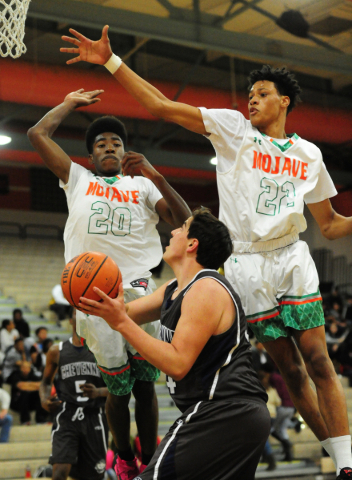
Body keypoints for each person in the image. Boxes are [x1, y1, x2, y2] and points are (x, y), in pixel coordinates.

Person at [60, 27, 352, 479]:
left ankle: (348, 463)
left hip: (291, 253)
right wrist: (112, 61)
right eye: (250, 94)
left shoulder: (310, 154)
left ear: (285, 102)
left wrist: (114, 315)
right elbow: (159, 106)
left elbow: (330, 226)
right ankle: (337, 459)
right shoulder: (234, 129)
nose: (251, 100)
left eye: (262, 94)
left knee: (319, 361)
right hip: (246, 260)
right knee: (292, 372)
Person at [28, 89, 191, 480]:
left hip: (140, 289)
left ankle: (148, 460)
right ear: (90, 157)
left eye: (116, 143)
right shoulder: (77, 177)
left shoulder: (143, 186)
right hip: (95, 295)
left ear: (125, 152)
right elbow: (37, 135)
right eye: (101, 144)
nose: (109, 147)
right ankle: (123, 455)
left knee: (146, 385)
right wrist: (66, 103)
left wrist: (156, 175)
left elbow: (185, 221)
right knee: (118, 388)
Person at [79, 207, 271, 480]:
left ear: (193, 244)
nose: (172, 231)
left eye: (181, 228)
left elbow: (177, 363)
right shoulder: (173, 288)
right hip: (232, 415)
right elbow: (125, 313)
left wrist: (120, 322)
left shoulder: (206, 288)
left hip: (224, 411)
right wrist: (95, 299)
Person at [40, 311, 109, 480]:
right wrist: (44, 400)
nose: (81, 319)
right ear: (71, 320)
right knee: (59, 473)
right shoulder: (57, 351)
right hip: (67, 415)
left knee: (93, 476)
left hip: (94, 416)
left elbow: (119, 387)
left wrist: (98, 392)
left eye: (86, 316)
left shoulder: (102, 351)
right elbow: (45, 382)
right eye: (77, 316)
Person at [10, 360, 46, 424]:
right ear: (21, 368)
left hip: (30, 402)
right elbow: (21, 386)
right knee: (24, 393)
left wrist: (27, 385)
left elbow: (40, 385)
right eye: (24, 367)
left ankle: (40, 420)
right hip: (17, 402)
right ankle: (25, 421)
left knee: (40, 394)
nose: (25, 369)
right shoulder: (15, 374)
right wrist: (33, 385)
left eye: (27, 368)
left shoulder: (32, 375)